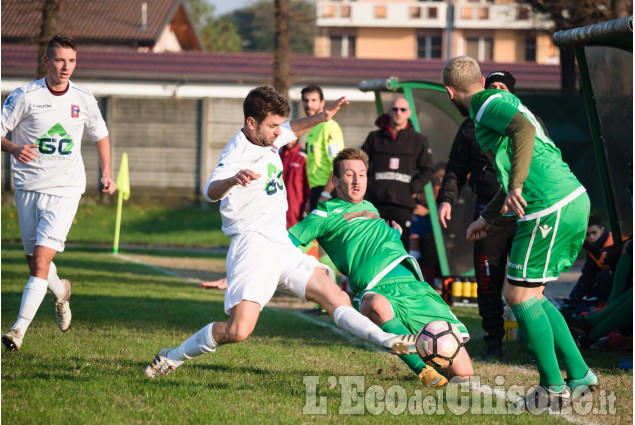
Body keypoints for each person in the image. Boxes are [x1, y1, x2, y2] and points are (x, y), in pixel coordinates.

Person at [145, 86, 413, 378]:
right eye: (272, 126)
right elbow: (210, 191)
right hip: (253, 245)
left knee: (335, 295)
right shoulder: (237, 153)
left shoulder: (268, 136)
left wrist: (323, 116)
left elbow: (290, 128)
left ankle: (386, 340)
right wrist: (233, 180)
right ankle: (171, 357)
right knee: (238, 330)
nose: (278, 132)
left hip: (280, 242)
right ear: (251, 123)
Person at [442, 56, 598, 409]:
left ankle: (552, 388)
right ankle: (579, 375)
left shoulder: (484, 104)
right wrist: (489, 216)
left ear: (449, 92)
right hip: (566, 199)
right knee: (532, 294)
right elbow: (520, 145)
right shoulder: (497, 103)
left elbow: (523, 132)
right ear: (481, 79)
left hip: (549, 204)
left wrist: (516, 185)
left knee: (517, 296)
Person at [288, 148, 474, 386]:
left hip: (414, 287)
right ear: (335, 180)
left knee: (464, 375)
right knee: (372, 304)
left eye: (362, 174)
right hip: (378, 288)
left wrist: (392, 233)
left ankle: (433, 359)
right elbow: (287, 243)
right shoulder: (324, 213)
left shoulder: (371, 208)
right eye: (349, 175)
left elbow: (372, 240)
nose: (357, 181)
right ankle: (424, 371)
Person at [0, 34, 117, 351]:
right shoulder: (25, 96)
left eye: (72, 61)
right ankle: (62, 292)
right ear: (47, 61)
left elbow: (101, 135)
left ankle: (17, 331)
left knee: (40, 261)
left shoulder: (83, 98)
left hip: (66, 189)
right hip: (27, 188)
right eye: (61, 60)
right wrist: (12, 148)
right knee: (35, 265)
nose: (67, 67)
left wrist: (106, 173)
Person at [437, 70, 543, 361]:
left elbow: (544, 163)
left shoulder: (526, 123)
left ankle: (535, 345)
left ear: (512, 93)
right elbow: (456, 167)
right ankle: (493, 343)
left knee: (529, 285)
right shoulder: (470, 125)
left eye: (502, 87)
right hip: (487, 213)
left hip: (525, 214)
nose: (497, 91)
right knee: (488, 282)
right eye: (492, 86)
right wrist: (446, 199)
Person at [199, 138, 309, 291]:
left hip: (296, 216)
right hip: (273, 218)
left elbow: (308, 188)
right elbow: (210, 192)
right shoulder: (275, 154)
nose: (277, 132)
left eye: (279, 128)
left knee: (326, 286)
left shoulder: (304, 157)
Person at [361, 96, 434, 249]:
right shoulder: (374, 137)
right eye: (395, 109)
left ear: (409, 113)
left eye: (403, 109)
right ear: (389, 112)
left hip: (403, 205)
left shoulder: (419, 140)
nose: (398, 112)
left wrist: (411, 188)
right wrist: (370, 184)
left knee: (400, 247)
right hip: (376, 203)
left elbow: (427, 169)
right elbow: (360, 163)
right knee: (374, 246)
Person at [301, 84, 345, 211]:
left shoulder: (328, 126)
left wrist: (325, 194)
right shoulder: (313, 127)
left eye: (313, 100)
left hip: (328, 190)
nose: (309, 104)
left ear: (322, 103)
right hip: (316, 190)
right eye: (306, 100)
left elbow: (337, 163)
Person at [566, 216, 615, 303]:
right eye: (588, 234)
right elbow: (588, 276)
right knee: (591, 295)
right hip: (610, 279)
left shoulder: (612, 243)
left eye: (594, 233)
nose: (591, 237)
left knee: (602, 277)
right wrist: (573, 299)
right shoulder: (592, 249)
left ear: (602, 230)